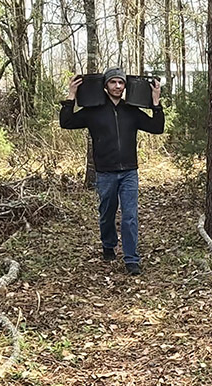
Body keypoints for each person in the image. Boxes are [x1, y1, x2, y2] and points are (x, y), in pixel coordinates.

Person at [60, 67, 164, 276]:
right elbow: (66, 122)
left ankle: (131, 259)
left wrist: (156, 102)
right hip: (105, 172)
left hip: (129, 172)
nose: (117, 86)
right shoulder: (93, 110)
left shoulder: (131, 110)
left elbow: (157, 127)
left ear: (125, 85)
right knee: (106, 213)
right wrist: (71, 96)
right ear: (105, 85)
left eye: (121, 83)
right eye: (113, 82)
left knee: (130, 216)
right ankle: (108, 244)